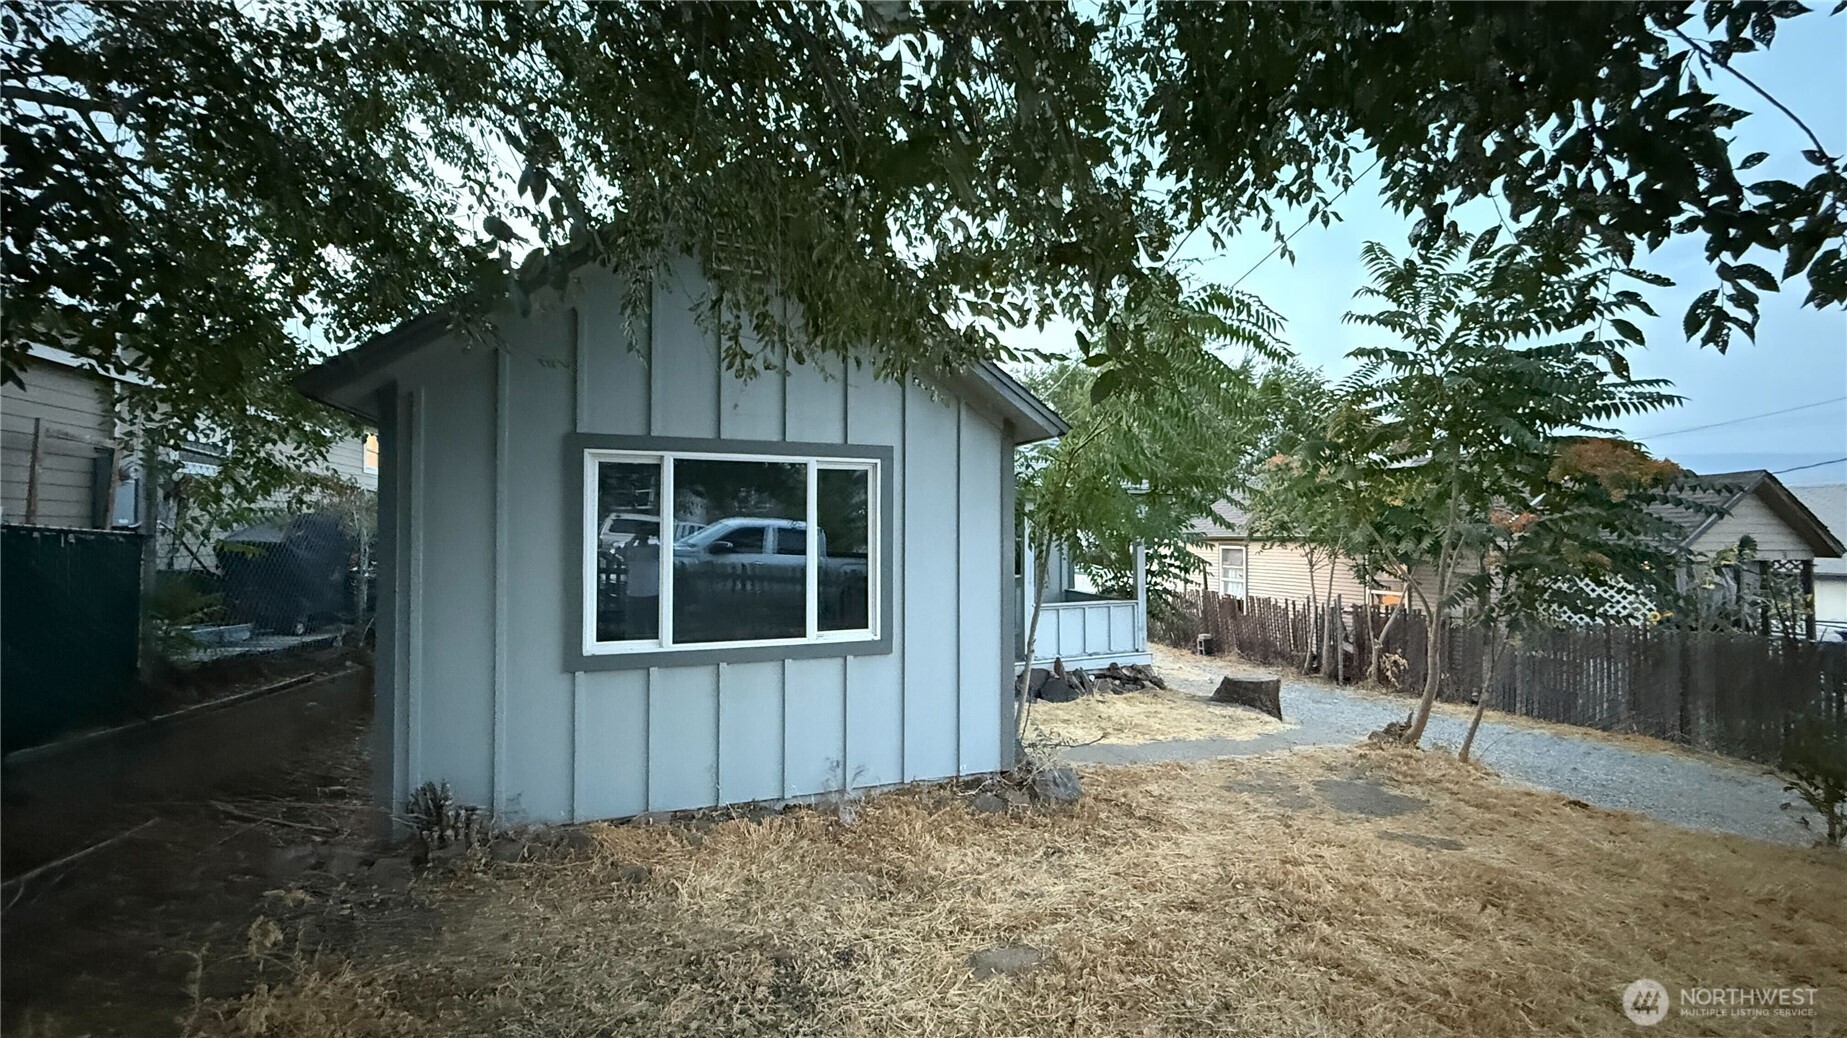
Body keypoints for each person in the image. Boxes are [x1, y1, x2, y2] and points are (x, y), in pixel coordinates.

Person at [621, 524, 661, 639]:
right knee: (639, 624)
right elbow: (623, 552)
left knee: (650, 623)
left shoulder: (653, 550)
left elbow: (668, 550)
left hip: (645, 591)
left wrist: (635, 537)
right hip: (640, 591)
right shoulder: (636, 551)